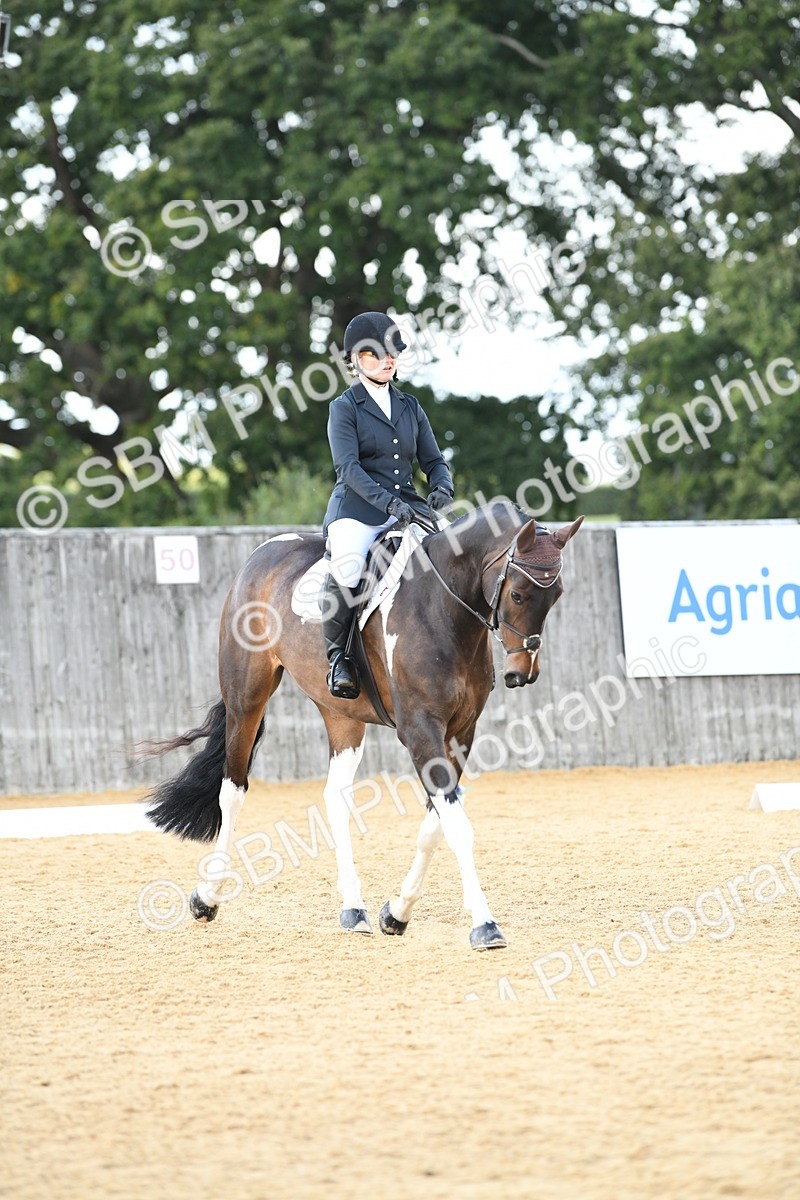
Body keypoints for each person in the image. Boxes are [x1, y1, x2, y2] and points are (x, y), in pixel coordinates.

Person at [321, 311, 454, 699]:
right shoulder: (344, 407)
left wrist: (442, 487)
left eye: (394, 352)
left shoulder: (410, 405)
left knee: (457, 554)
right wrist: (389, 504)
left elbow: (433, 461)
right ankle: (338, 658)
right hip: (358, 510)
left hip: (410, 507)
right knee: (347, 566)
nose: (389, 360)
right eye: (380, 354)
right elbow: (348, 468)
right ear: (358, 360)